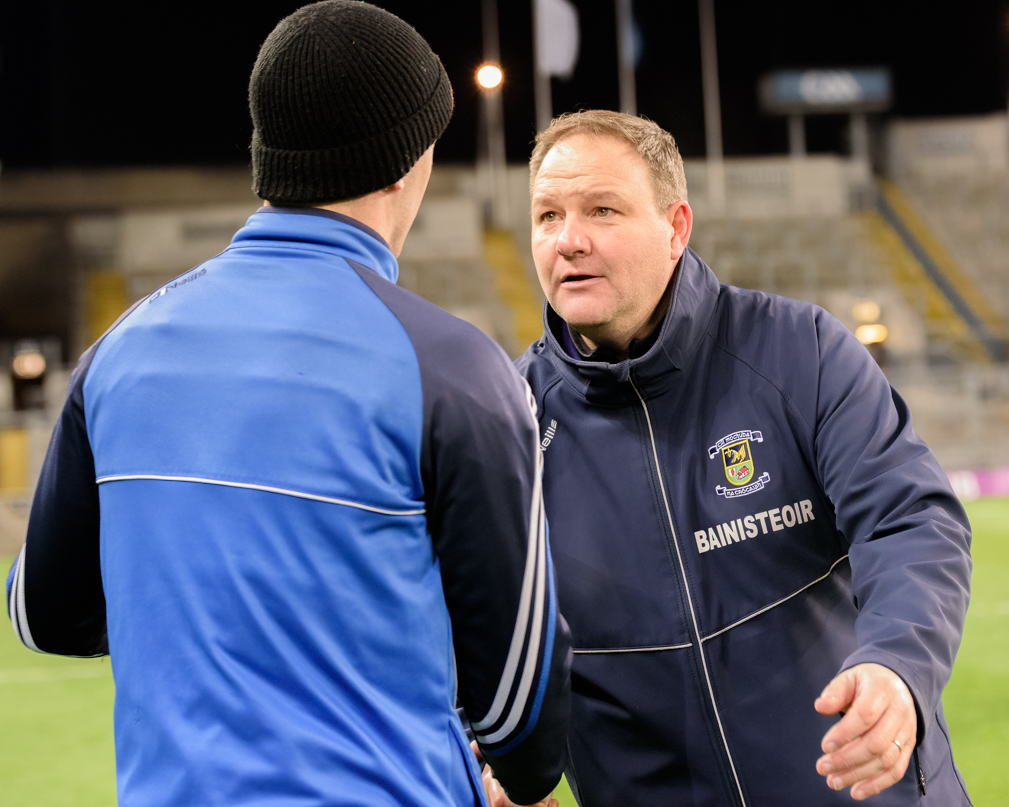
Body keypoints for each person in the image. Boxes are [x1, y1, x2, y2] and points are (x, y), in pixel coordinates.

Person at [5, 3, 570, 805]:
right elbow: (519, 705)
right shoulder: (450, 365)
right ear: (406, 163)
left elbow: (42, 616)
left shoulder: (118, 351)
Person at [507, 110, 972, 806]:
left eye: (602, 209)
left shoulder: (798, 350)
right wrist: (499, 759)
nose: (567, 240)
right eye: (547, 215)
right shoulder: (509, 420)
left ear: (675, 228)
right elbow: (476, 630)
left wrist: (897, 665)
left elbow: (909, 521)